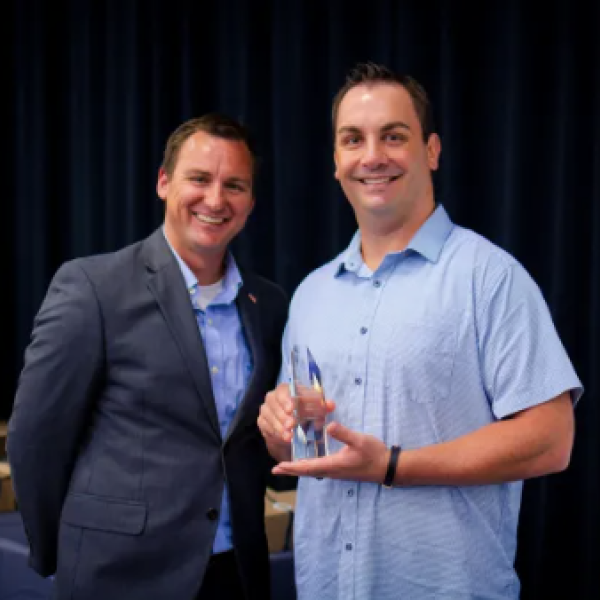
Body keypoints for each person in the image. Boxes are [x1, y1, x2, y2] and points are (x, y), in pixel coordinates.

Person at [257, 62, 583, 600]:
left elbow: (551, 440)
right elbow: (296, 448)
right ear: (336, 161)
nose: (372, 156)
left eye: (393, 136)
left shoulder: (490, 277)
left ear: (431, 150)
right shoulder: (312, 293)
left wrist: (391, 466)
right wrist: (279, 426)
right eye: (352, 139)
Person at [8, 113, 289, 600]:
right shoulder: (92, 288)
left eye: (234, 185)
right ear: (164, 182)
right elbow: (35, 439)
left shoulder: (269, 305)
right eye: (199, 179)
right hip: (118, 573)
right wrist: (64, 552)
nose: (215, 200)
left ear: (251, 202)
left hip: (236, 571)